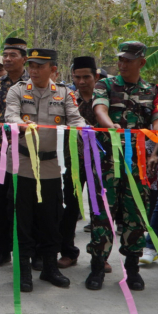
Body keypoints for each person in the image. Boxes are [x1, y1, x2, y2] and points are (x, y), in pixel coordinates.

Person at [5, 48, 86, 292]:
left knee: (51, 220)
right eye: (31, 65)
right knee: (23, 221)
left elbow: (75, 118)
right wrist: (21, 125)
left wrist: (85, 130)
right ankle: (24, 270)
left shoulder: (64, 93)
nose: (33, 70)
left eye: (40, 66)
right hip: (22, 165)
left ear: (53, 69)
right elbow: (11, 116)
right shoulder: (17, 90)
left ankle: (50, 267)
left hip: (52, 168)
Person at [90, 41, 158, 291]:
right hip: (107, 163)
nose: (122, 64)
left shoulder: (154, 90)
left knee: (135, 215)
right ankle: (97, 267)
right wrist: (108, 123)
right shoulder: (106, 84)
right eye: (121, 59)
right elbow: (99, 108)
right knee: (102, 215)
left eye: (128, 60)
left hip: (138, 166)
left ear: (142, 62)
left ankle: (133, 270)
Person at [0, 38, 30, 268]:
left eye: (13, 55)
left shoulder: (33, 84)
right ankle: (3, 250)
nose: (7, 59)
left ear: (24, 59)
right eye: (5, 55)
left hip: (26, 154)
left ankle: (28, 252)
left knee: (24, 204)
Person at [57, 57, 103, 270]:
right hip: (73, 163)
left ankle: (99, 254)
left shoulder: (104, 100)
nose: (82, 81)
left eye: (87, 77)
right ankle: (68, 252)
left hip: (102, 163)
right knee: (70, 209)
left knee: (99, 209)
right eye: (77, 77)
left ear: (96, 77)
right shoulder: (68, 99)